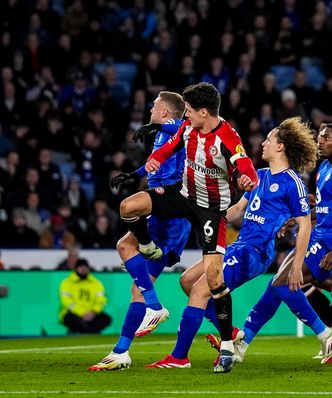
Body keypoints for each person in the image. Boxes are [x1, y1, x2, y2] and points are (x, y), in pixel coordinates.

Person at [96, 82, 258, 373]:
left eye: (191, 112)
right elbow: (171, 141)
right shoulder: (188, 128)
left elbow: (245, 166)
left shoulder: (227, 137)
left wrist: (247, 180)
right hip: (182, 196)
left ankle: (225, 344)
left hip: (209, 210)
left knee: (213, 279)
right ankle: (140, 337)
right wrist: (150, 162)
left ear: (204, 112)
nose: (187, 117)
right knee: (128, 208)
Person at [144, 117, 321, 371]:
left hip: (255, 251)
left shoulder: (292, 182)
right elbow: (238, 209)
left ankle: (179, 357)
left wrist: (296, 267)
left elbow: (304, 225)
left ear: (280, 147)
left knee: (200, 290)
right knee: (186, 281)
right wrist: (208, 214)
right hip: (239, 245)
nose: (263, 143)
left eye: (269, 139)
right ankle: (233, 332)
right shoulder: (259, 176)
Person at [89, 91, 191, 371]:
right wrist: (133, 176)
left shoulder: (179, 130)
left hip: (170, 209)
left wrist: (158, 126)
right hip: (160, 207)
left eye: (155, 107)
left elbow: (185, 127)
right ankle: (122, 351)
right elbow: (154, 163)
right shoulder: (162, 136)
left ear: (166, 112)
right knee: (135, 277)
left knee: (127, 210)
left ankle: (156, 307)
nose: (150, 110)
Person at [232, 122, 332, 365]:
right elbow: (326, 209)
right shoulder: (325, 168)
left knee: (284, 283)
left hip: (327, 241)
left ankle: (326, 334)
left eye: (327, 137)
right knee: (278, 284)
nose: (320, 141)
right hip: (319, 234)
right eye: (319, 136)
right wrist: (295, 216)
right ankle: (243, 343)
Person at [59, 258, 111, 334]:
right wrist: (82, 313)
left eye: (85, 267)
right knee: (70, 319)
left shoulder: (96, 283)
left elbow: (101, 300)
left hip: (92, 314)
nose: (83, 270)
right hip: (74, 314)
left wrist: (93, 312)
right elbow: (66, 302)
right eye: (81, 267)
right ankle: (92, 333)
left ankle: (86, 331)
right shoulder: (67, 283)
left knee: (106, 319)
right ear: (76, 269)